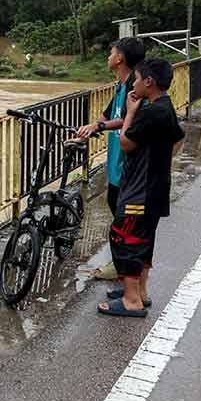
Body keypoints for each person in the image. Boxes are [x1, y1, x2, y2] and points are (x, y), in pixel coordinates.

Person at [99, 57, 184, 317]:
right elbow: (178, 139)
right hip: (155, 187)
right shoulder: (165, 107)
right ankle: (139, 291)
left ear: (148, 82)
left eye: (137, 79)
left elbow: (125, 143)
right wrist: (157, 160)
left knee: (124, 237)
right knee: (143, 240)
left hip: (140, 190)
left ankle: (131, 300)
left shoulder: (149, 112)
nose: (134, 83)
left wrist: (131, 112)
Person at [75, 37, 145, 280]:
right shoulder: (120, 85)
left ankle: (124, 270)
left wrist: (99, 125)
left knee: (124, 219)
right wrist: (90, 129)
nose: (108, 57)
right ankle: (122, 265)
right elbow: (106, 114)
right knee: (116, 211)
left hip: (127, 165)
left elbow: (125, 119)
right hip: (116, 162)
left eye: (111, 53)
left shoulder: (133, 89)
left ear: (120, 59)